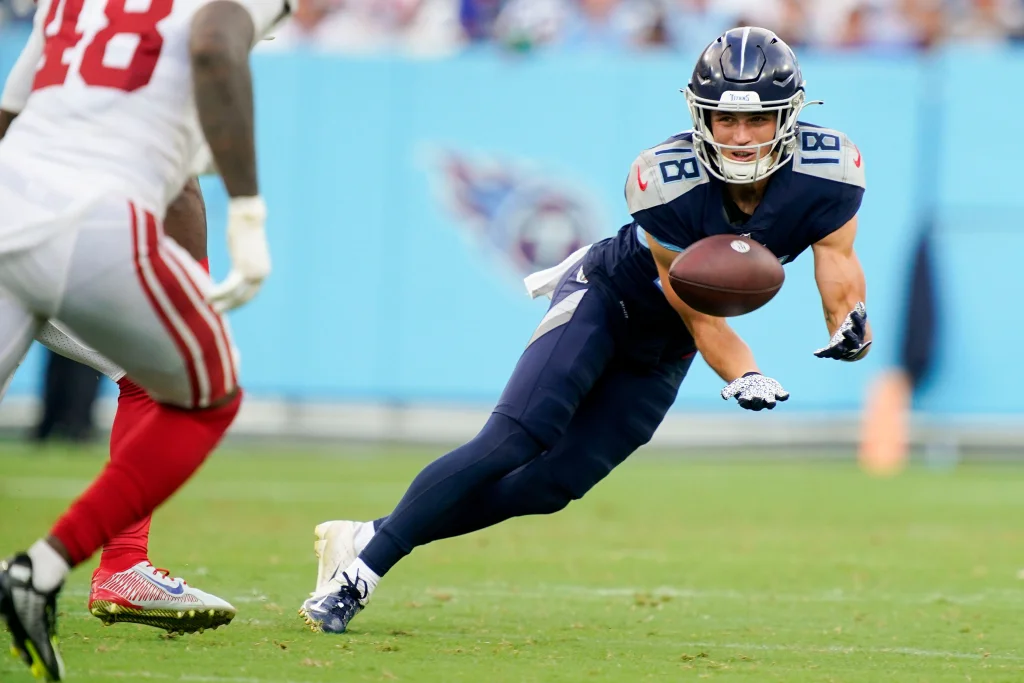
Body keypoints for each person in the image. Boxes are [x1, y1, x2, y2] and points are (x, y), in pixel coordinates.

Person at [299, 26, 872, 635]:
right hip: (607, 301)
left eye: (755, 120)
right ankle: (357, 579)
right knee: (515, 439)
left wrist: (850, 323)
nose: (736, 136)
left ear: (789, 115)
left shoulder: (828, 172)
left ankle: (369, 537)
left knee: (552, 484)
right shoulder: (670, 179)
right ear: (697, 113)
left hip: (661, 351)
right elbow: (698, 308)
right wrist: (745, 371)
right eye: (722, 119)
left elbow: (837, 264)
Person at [0, 0, 288, 677]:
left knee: (150, 375)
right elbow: (215, 48)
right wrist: (246, 213)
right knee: (205, 390)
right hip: (91, 224)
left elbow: (12, 118)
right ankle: (72, 567)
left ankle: (117, 566)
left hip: (10, 204)